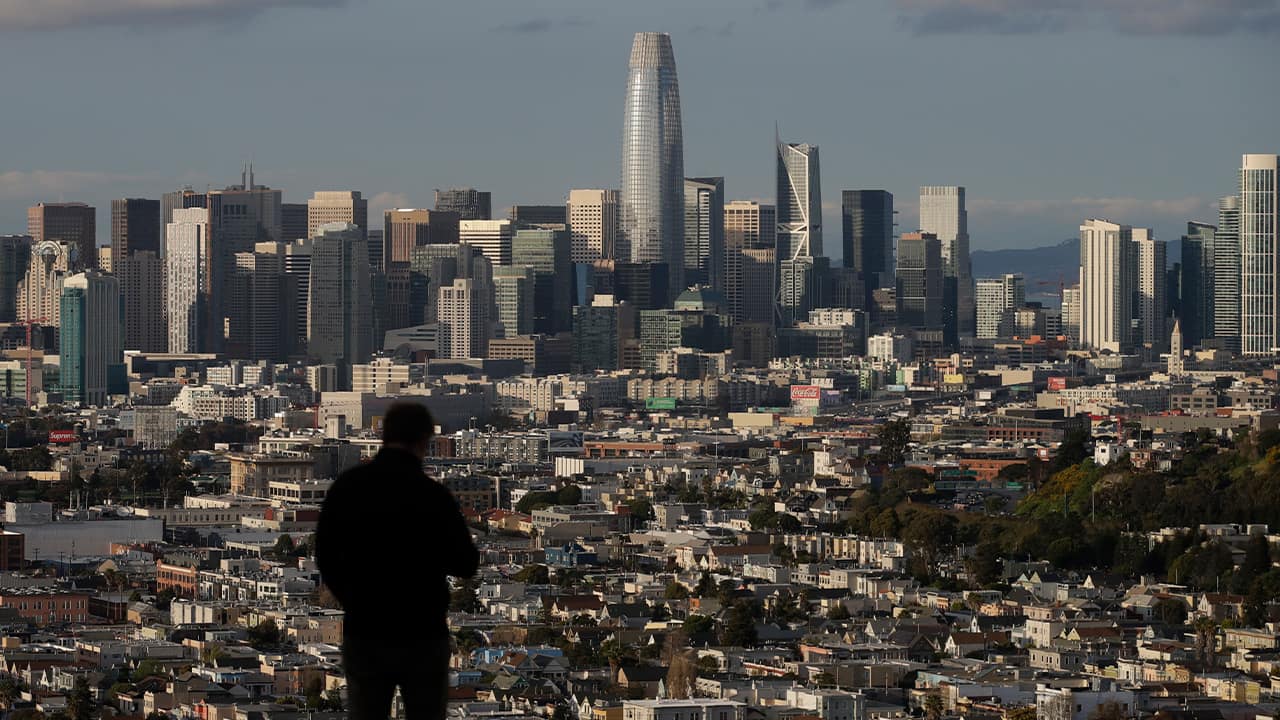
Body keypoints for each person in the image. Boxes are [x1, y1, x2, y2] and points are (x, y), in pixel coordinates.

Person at [315, 402, 479, 720]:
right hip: (422, 630)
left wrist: (354, 598)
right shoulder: (432, 496)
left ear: (382, 435)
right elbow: (466, 563)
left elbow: (325, 555)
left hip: (366, 628)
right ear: (424, 441)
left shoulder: (348, 488)